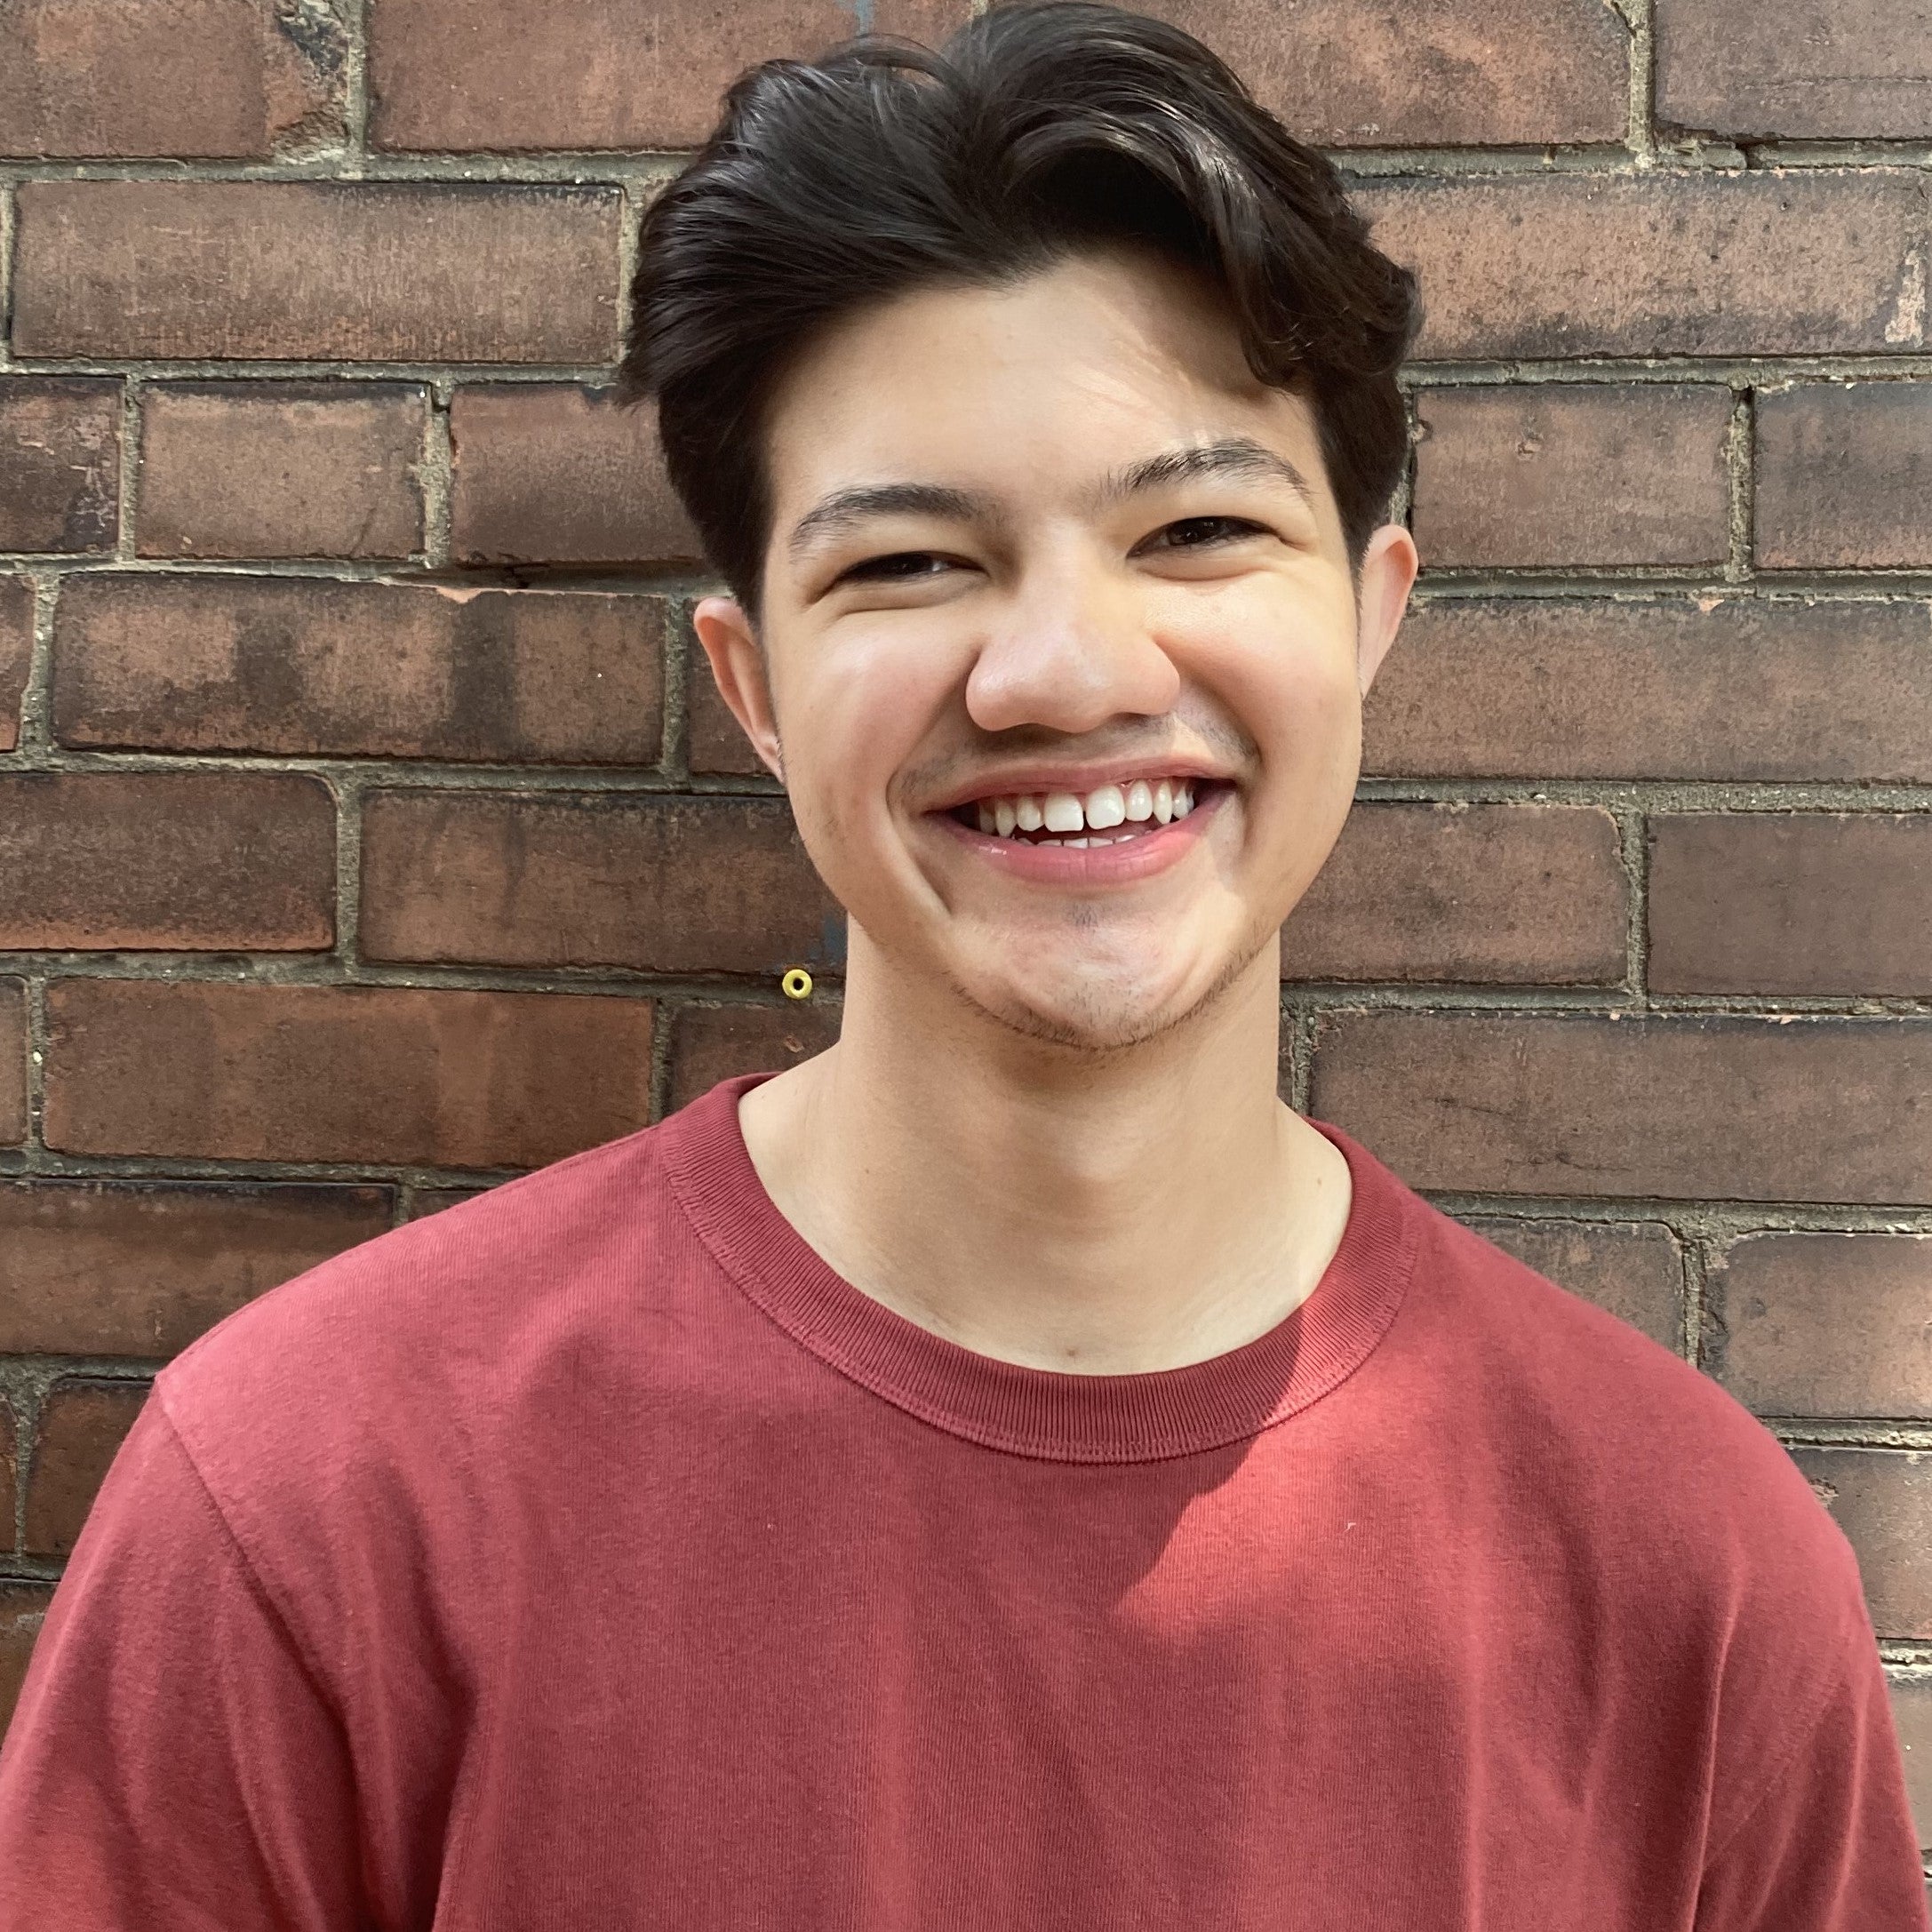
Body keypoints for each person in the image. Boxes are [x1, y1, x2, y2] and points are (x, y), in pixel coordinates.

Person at [1, 5, 1923, 1925]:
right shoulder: (324, 1504)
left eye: (1192, 529)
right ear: (751, 686)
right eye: (910, 567)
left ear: (1366, 612)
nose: (1063, 674)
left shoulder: (1688, 1569)